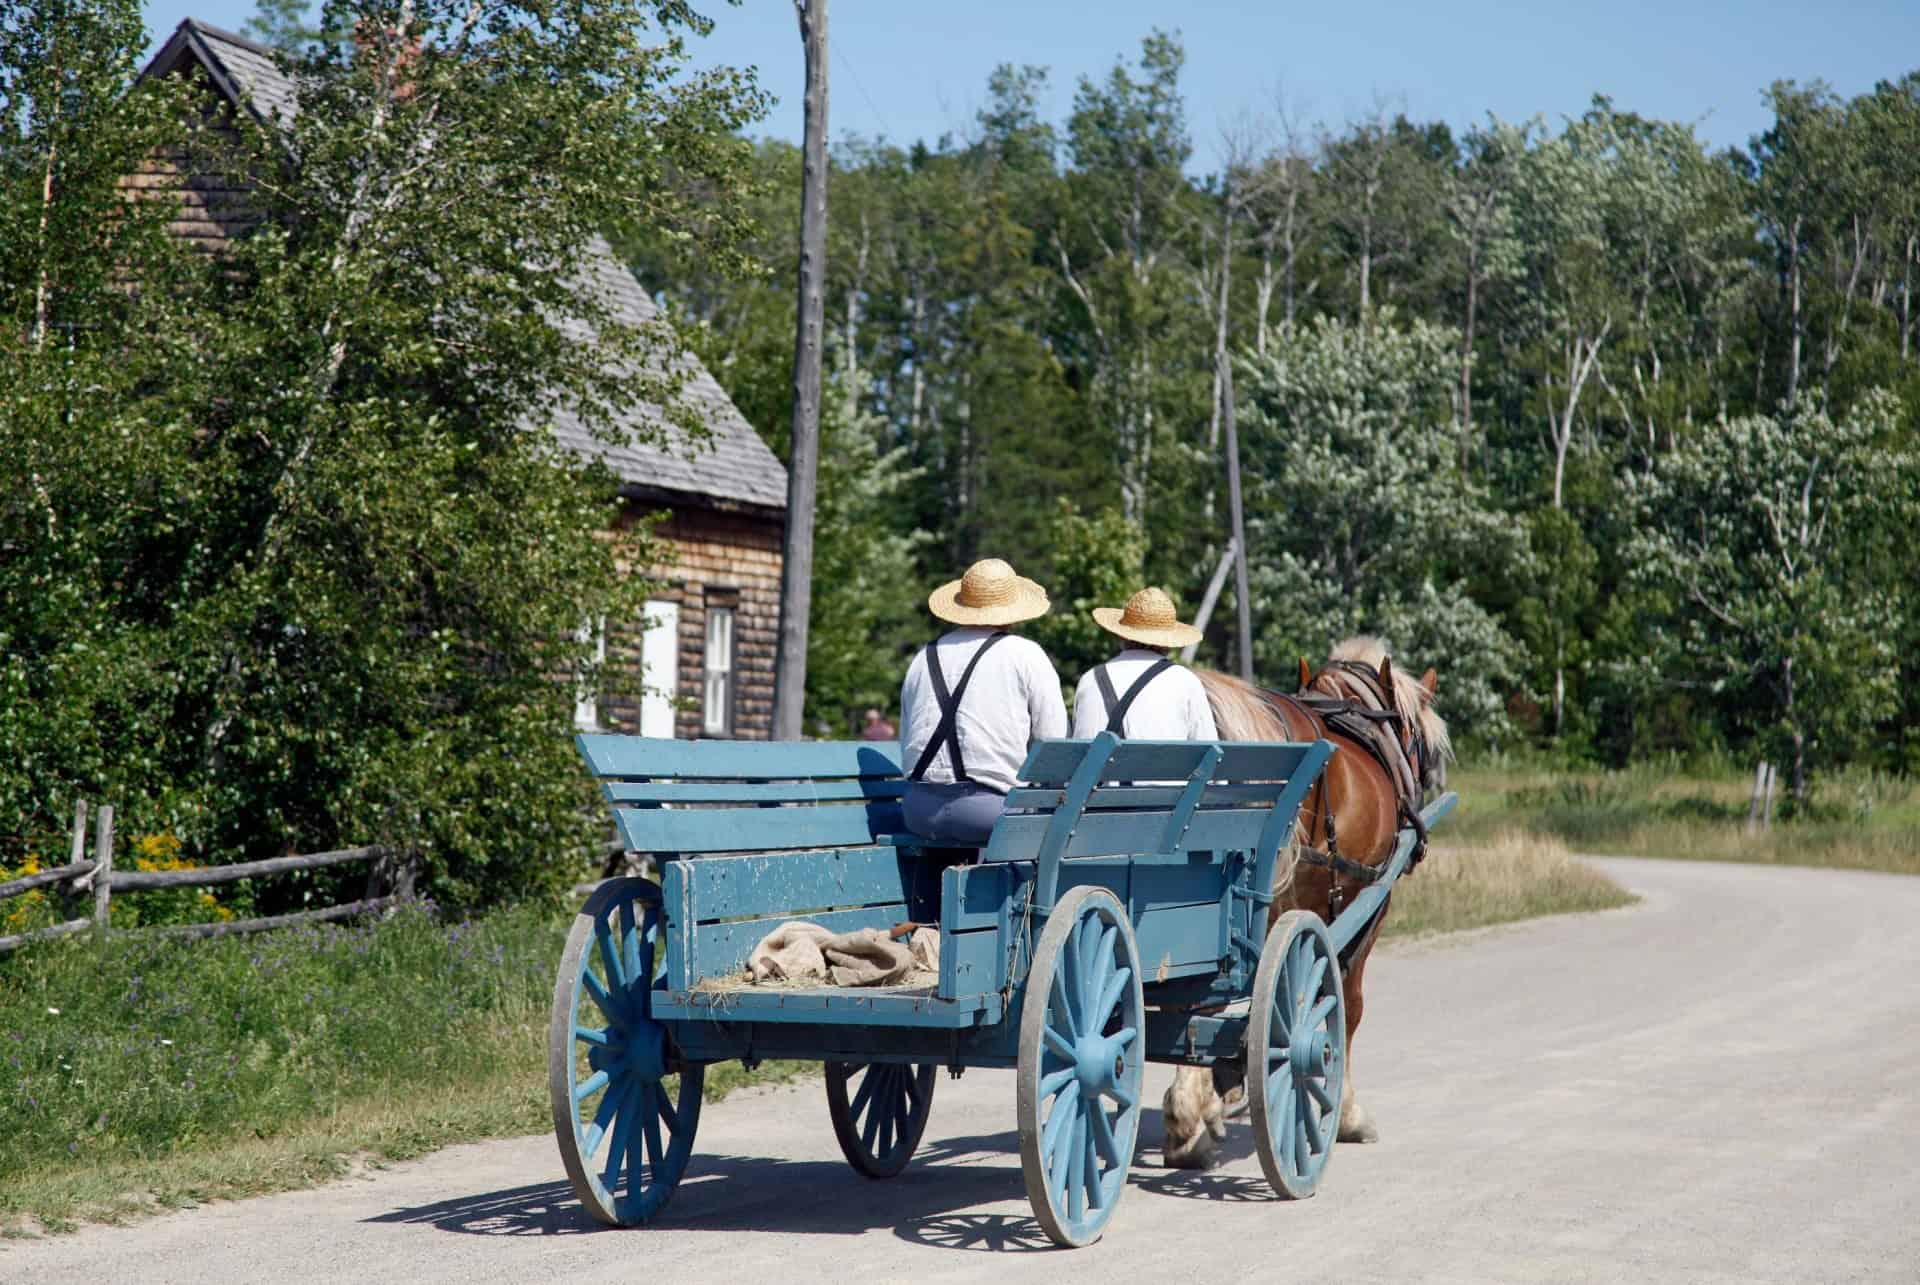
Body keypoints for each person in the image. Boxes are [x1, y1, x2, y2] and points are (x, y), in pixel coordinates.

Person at [899, 558, 1067, 845]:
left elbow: (906, 740)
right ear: (1013, 611)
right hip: (990, 814)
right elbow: (1054, 745)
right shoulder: (1025, 654)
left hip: (919, 812)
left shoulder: (923, 657)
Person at [1072, 587, 1217, 740]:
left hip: (1098, 765)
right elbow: (1208, 748)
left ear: (1122, 636)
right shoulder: (1186, 682)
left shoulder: (1090, 679)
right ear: (1167, 642)